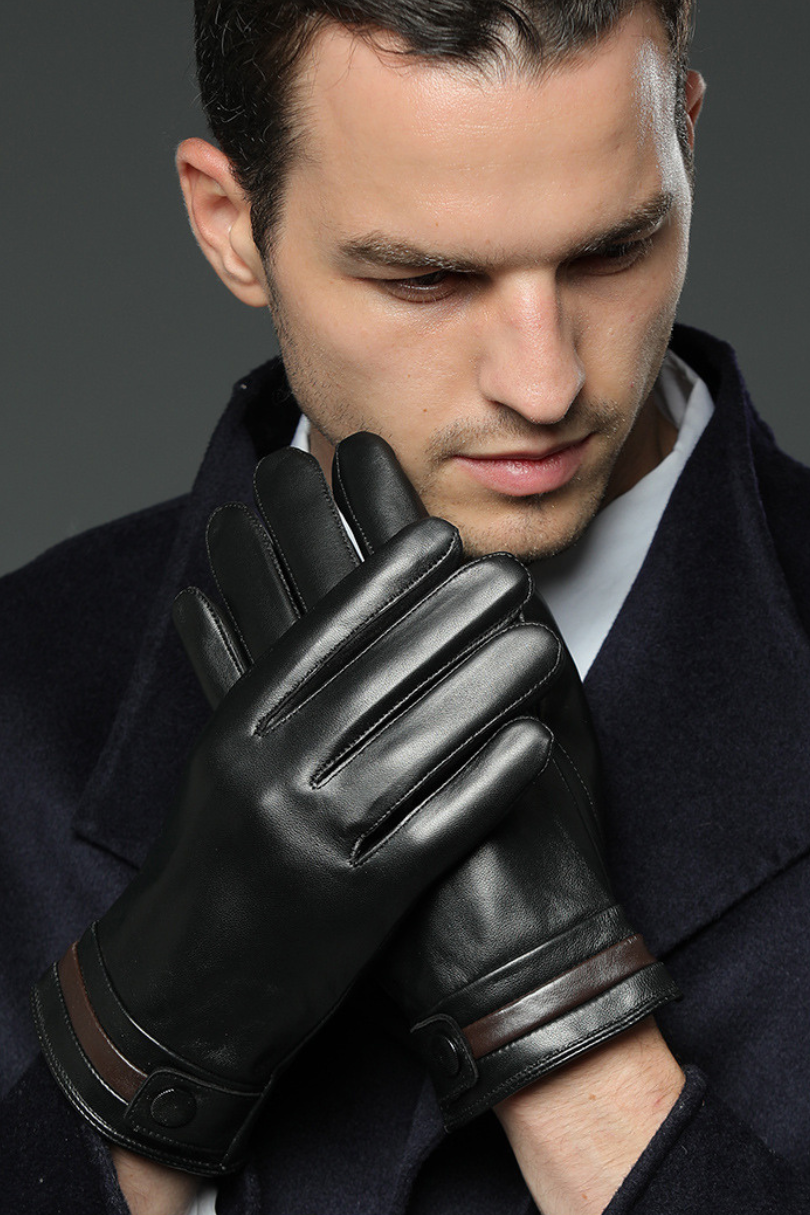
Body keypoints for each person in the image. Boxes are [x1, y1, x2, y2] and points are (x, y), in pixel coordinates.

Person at [2, 1, 810, 1213]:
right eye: (426, 277)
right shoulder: (18, 699)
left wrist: (564, 1029)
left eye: (610, 251)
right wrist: (154, 1042)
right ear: (230, 225)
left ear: (684, 143)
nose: (544, 383)